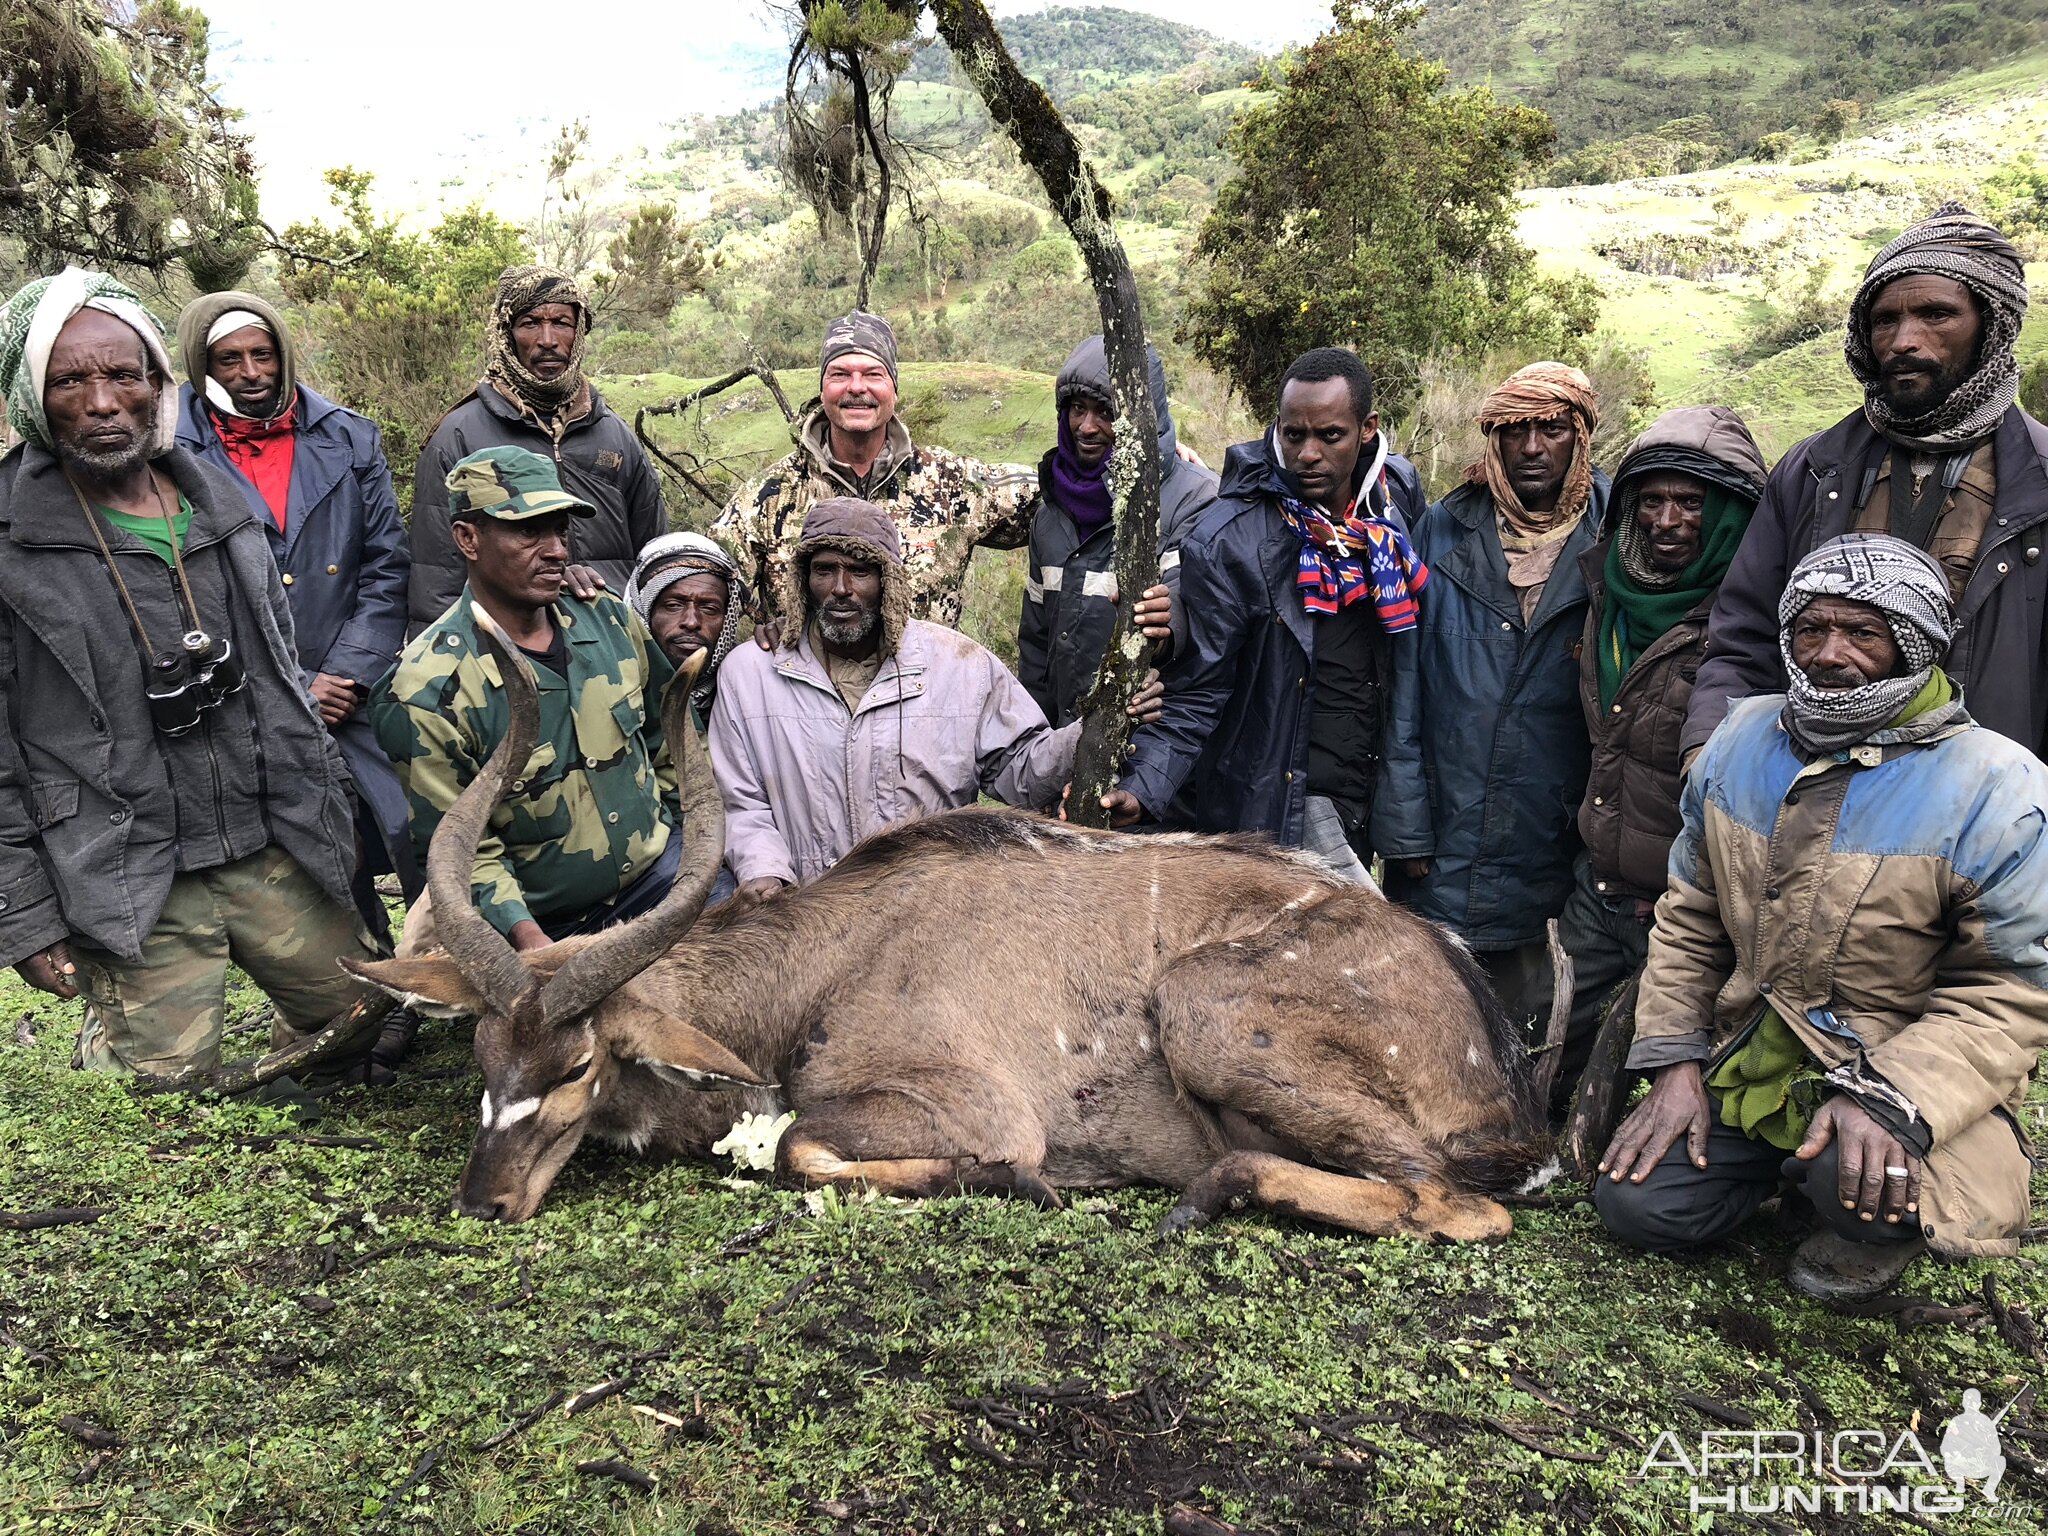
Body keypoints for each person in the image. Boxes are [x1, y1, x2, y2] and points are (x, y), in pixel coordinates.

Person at [1598, 535, 2048, 1301]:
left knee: (1861, 1192)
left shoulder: (1998, 788)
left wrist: (1890, 1099)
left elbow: (2009, 992)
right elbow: (1690, 917)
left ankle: (1853, 1198)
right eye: (1811, 630)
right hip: (1757, 1055)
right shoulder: (1739, 741)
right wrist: (1674, 1061)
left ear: (1915, 644)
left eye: (1863, 634)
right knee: (1639, 1207)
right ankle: (1783, 1171)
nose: (1829, 654)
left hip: (1903, 1064)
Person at [0, 268, 382, 1079]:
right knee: (163, 1091)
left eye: (123, 374)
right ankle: (115, 1036)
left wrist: (323, 818)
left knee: (367, 1019)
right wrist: (25, 918)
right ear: (32, 397)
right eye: (70, 379)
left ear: (158, 383)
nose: (103, 402)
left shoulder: (220, 503)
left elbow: (284, 690)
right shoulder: (10, 541)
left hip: (259, 838)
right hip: (127, 861)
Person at [1688, 203, 2048, 762]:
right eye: (1885, 320)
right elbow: (1744, 636)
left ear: (1990, 325)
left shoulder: (2039, 480)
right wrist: (1711, 752)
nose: (1904, 340)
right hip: (1804, 792)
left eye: (1936, 314)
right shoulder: (1812, 469)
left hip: (1977, 812)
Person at [710, 496, 1160, 902]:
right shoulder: (750, 674)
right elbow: (741, 801)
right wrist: (764, 874)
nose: (841, 588)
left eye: (861, 571)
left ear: (889, 582)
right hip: (804, 914)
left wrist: (1102, 721)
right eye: (824, 569)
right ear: (803, 579)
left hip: (932, 915)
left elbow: (1020, 771)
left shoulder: (958, 664)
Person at [1106, 348, 1430, 885]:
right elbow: (1200, 688)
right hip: (1288, 803)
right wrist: (1145, 789)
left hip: (1371, 792)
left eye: (1330, 436)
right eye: (1293, 434)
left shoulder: (1391, 507)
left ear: (1366, 430)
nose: (1308, 454)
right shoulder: (1232, 537)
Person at [173, 289, 420, 940]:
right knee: (322, 846)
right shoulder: (169, 453)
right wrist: (293, 680)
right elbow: (182, 588)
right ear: (202, 364)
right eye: (229, 360)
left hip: (358, 680)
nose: (251, 373)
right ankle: (372, 992)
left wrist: (349, 669)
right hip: (253, 691)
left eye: (262, 355)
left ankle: (444, 967)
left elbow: (386, 562)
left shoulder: (348, 435)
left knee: (407, 822)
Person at [375, 447, 679, 951]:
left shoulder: (611, 622)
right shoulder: (424, 691)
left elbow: (670, 740)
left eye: (560, 530)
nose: (558, 549)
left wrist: (684, 847)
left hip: (665, 881)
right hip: (548, 929)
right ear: (467, 538)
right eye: (528, 531)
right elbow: (460, 846)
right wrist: (532, 946)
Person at [1381, 362, 1610, 1020]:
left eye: (1552, 428)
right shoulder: (1444, 530)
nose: (1532, 447)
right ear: (1493, 441)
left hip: (1553, 841)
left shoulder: (1615, 535)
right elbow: (1405, 686)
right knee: (1425, 1023)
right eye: (1514, 430)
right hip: (1442, 845)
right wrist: (1405, 829)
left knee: (1531, 1031)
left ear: (1582, 437)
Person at [1557, 407, 1764, 1101]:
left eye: (1689, 503)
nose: (1666, 521)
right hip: (1600, 884)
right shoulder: (1608, 591)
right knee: (1543, 1081)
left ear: (1733, 513)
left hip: (1695, 905)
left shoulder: (1758, 626)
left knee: (1699, 1085)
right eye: (1650, 501)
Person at [714, 310, 1037, 633]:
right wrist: (759, 638)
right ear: (822, 389)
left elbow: (1058, 495)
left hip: (925, 680)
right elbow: (704, 580)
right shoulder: (769, 495)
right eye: (840, 374)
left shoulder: (950, 481)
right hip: (805, 680)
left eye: (873, 374)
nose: (856, 387)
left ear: (893, 389)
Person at [405, 266, 664, 635]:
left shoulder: (614, 435)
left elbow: (653, 558)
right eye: (529, 323)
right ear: (506, 335)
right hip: (505, 650)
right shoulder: (458, 435)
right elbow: (436, 578)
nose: (547, 339)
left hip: (611, 650)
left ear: (580, 332)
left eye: (561, 322)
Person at [1017, 333, 1217, 725]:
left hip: (1159, 746)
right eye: (1077, 408)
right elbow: (1036, 645)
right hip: (1064, 748)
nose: (1086, 427)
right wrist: (1033, 742)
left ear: (1145, 416)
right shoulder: (1050, 513)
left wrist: (1167, 629)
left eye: (1106, 412)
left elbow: (1198, 613)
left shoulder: (1195, 498)